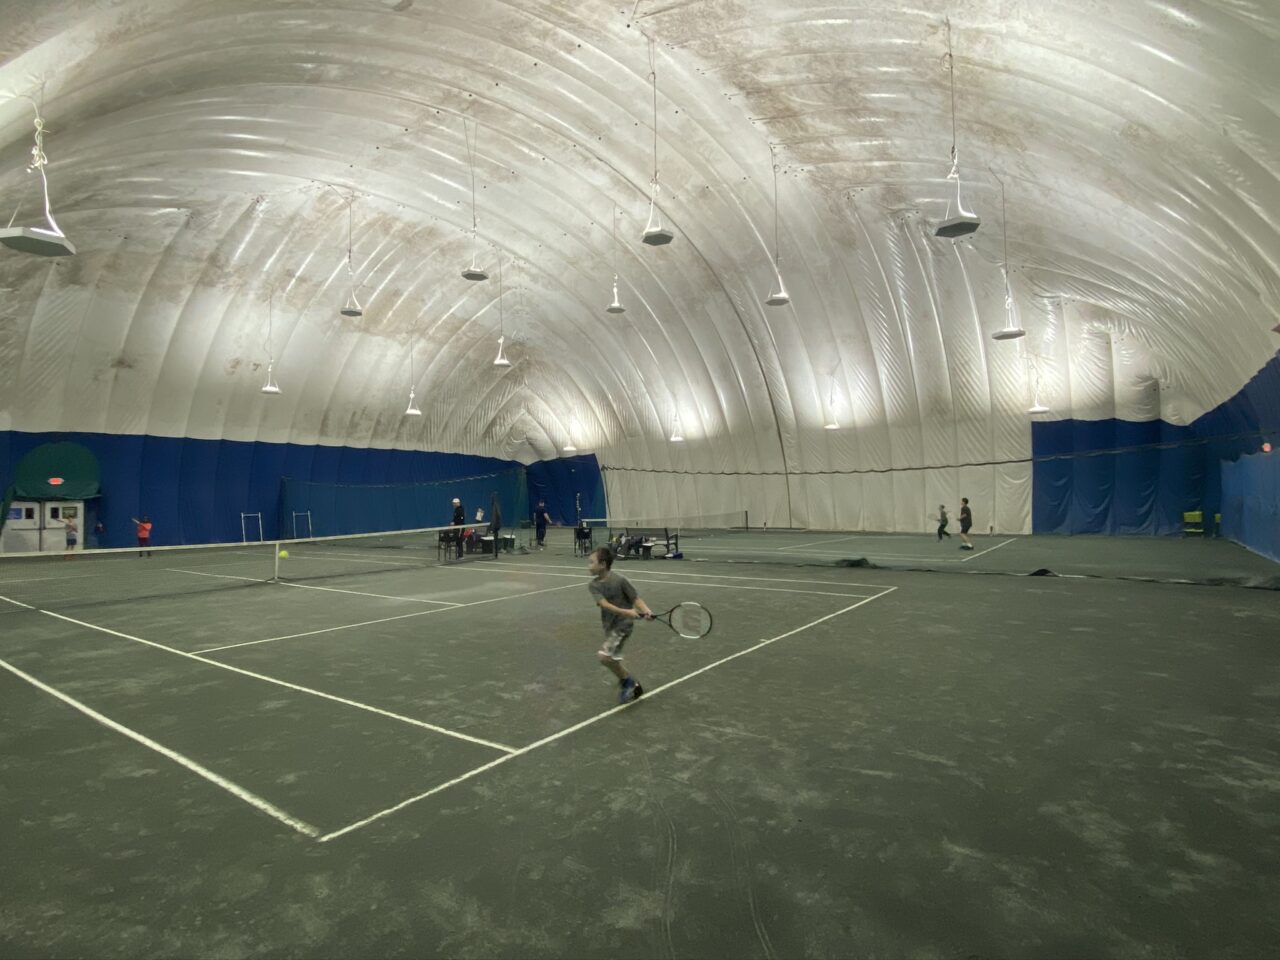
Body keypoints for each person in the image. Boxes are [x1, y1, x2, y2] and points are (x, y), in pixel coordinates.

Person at [587, 547, 651, 704]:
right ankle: (630, 682)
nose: (588, 566)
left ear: (602, 564)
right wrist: (626, 611)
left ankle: (628, 681)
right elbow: (605, 604)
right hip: (610, 625)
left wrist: (646, 610)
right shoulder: (593, 585)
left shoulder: (620, 580)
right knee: (611, 659)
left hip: (623, 626)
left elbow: (635, 598)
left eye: (591, 562)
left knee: (604, 656)